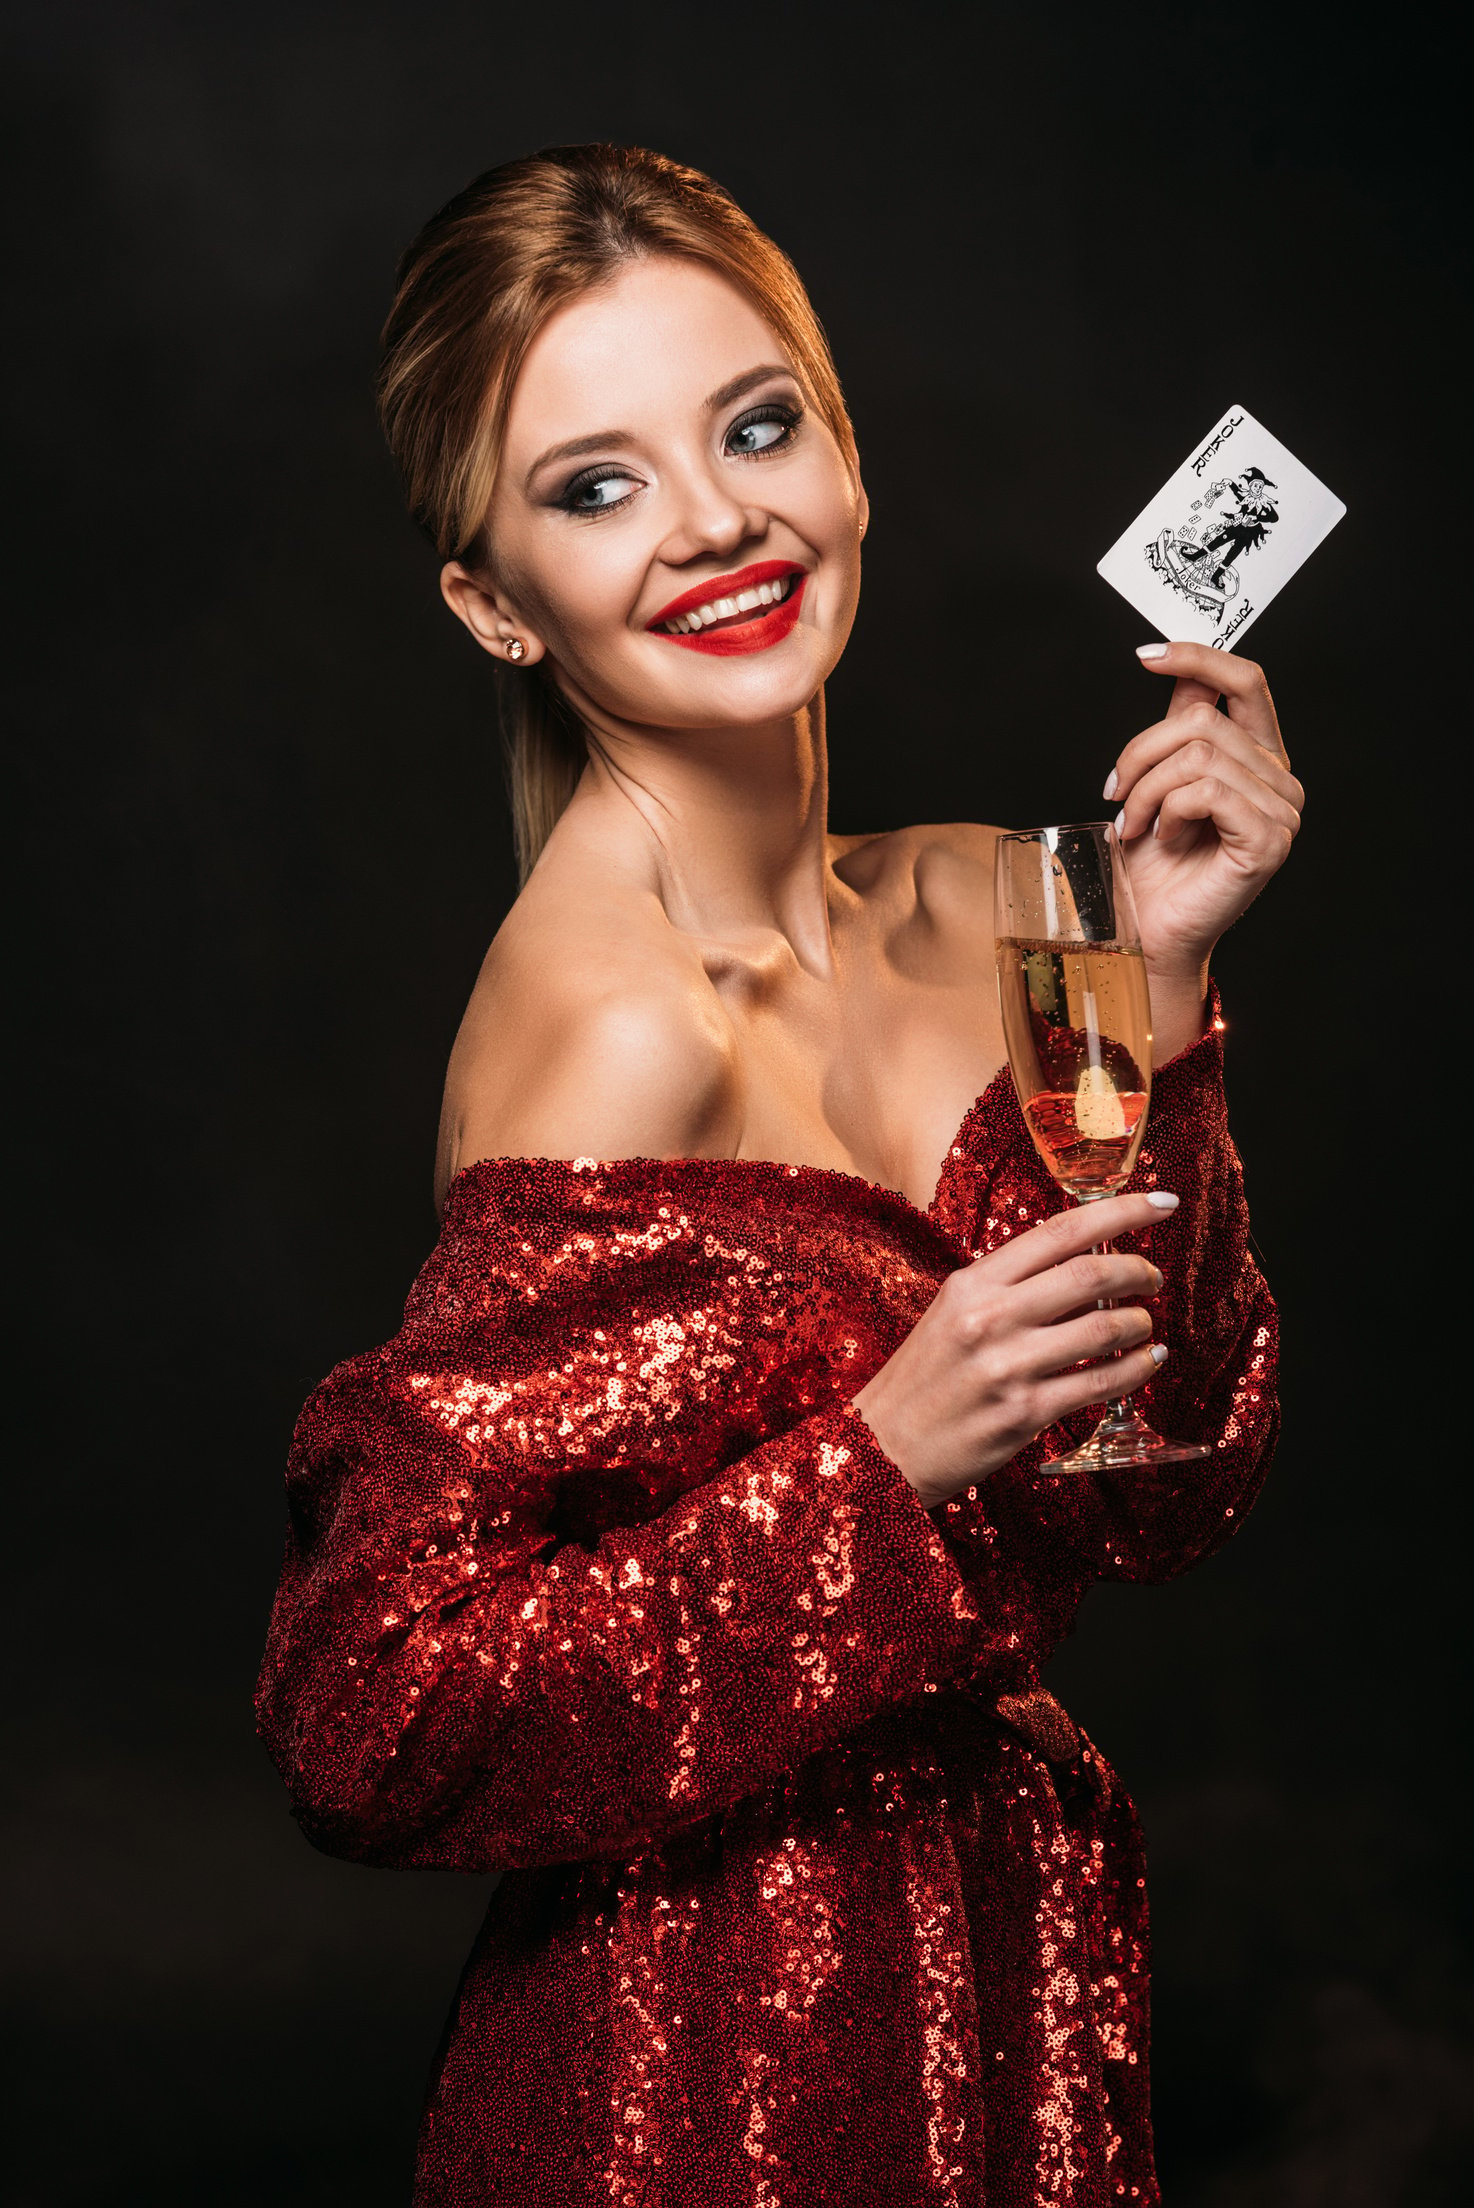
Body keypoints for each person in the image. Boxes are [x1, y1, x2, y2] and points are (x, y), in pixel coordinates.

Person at [255, 143, 1297, 2207]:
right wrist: (872, 1470)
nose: (716, 518)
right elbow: (368, 1718)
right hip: (701, 2067)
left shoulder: (1019, 906)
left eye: (752, 428)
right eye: (591, 483)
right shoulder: (599, 1029)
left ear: (844, 452)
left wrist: (1159, 994)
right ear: (487, 600)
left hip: (1007, 1991)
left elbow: (1165, 1482)